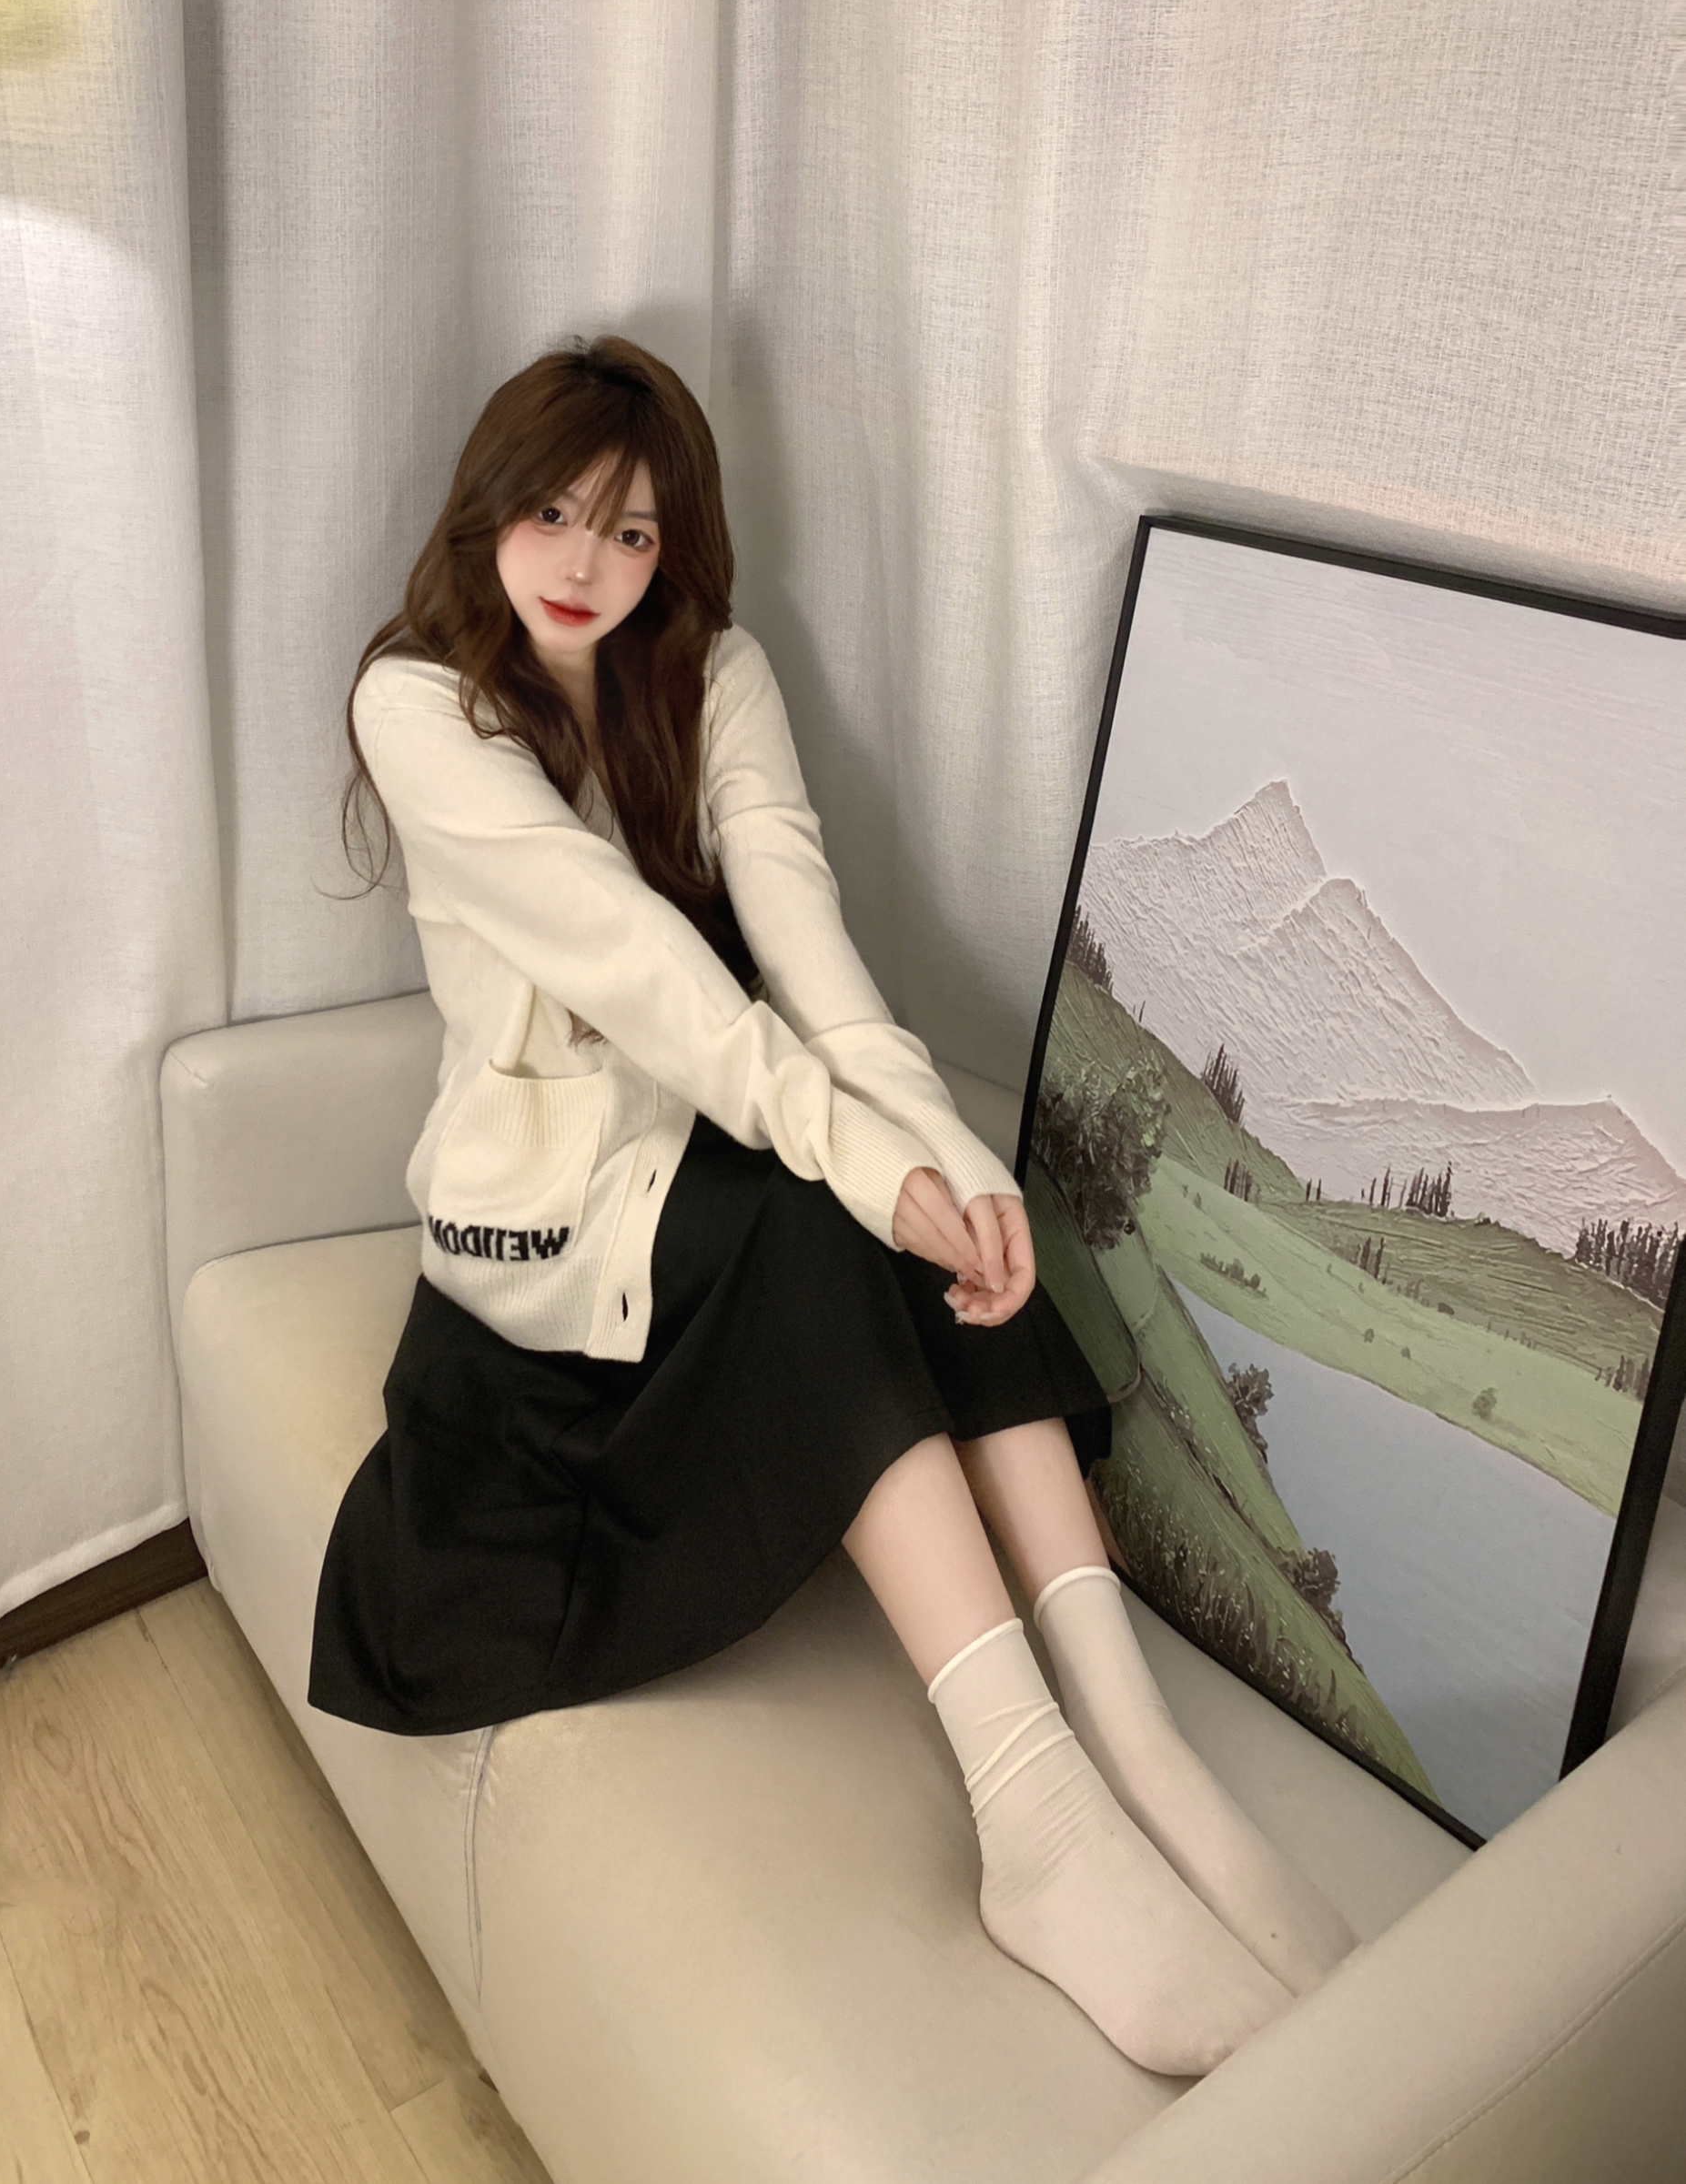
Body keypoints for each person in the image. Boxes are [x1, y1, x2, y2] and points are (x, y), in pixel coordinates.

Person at [308, 336, 1353, 2077]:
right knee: (825, 1220)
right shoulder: (418, 702)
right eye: (552, 513)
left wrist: (939, 1159)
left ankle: (1138, 1747)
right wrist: (866, 1167)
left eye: (631, 532)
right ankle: (1035, 1815)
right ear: (486, 509)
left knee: (914, 1211)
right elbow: (637, 963)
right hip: (547, 1221)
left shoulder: (712, 672)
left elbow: (809, 955)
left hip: (713, 1139)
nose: (584, 563)